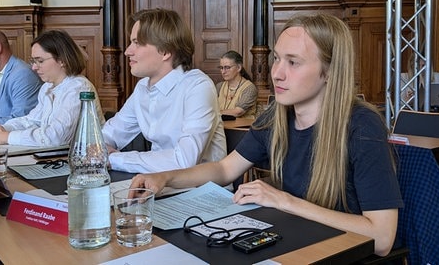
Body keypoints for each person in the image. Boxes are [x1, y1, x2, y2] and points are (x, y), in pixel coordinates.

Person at [129, 13, 403, 257]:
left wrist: (283, 200)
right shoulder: (277, 116)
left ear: (329, 72)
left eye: (293, 62)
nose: (276, 74)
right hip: (301, 243)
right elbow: (225, 169)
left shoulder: (363, 126)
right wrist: (165, 178)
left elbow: (381, 238)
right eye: (277, 59)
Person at [102, 8, 226, 173]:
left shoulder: (198, 86)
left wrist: (115, 158)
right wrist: (100, 150)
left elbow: (184, 161)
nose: (127, 51)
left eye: (137, 43)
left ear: (165, 51)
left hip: (200, 191)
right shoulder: (142, 88)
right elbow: (107, 135)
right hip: (158, 184)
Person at [0, 30, 104, 147]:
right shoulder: (47, 87)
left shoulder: (78, 87)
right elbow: (31, 121)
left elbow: (56, 137)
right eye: (33, 61)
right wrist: (2, 128)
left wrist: (6, 137)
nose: (34, 67)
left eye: (40, 61)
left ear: (62, 60)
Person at [216, 50, 258, 119]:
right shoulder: (219, 86)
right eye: (221, 68)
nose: (223, 71)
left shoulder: (249, 88)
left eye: (227, 67)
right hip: (222, 127)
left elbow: (238, 112)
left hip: (241, 128)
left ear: (238, 68)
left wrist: (214, 113)